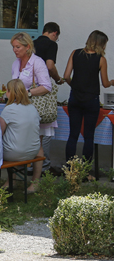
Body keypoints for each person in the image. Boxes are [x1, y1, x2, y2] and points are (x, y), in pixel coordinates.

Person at [63, 30, 114, 163]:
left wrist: (74, 85)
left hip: (75, 98)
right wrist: (113, 82)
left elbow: (66, 76)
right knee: (89, 136)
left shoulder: (75, 53)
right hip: (92, 99)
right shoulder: (101, 59)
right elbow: (105, 83)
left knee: (73, 135)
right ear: (101, 44)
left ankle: (70, 168)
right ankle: (85, 170)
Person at [11, 32, 57, 167]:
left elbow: (47, 86)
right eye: (13, 47)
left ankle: (36, 180)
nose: (15, 50)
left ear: (28, 47)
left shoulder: (37, 62)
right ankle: (17, 176)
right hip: (20, 109)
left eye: (18, 47)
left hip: (35, 109)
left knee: (36, 143)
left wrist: (28, 93)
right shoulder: (15, 63)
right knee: (18, 142)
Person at [0, 79, 43, 193]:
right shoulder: (33, 108)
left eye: (7, 91)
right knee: (37, 144)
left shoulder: (8, 109)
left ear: (11, 92)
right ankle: (35, 183)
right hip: (33, 152)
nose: (5, 94)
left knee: (4, 142)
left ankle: (10, 181)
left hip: (14, 153)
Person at [34, 22, 62, 174]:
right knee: (45, 128)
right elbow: (50, 66)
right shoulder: (51, 45)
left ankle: (30, 164)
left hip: (29, 88)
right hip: (43, 89)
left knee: (32, 128)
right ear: (54, 33)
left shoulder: (32, 43)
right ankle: (44, 165)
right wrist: (57, 79)